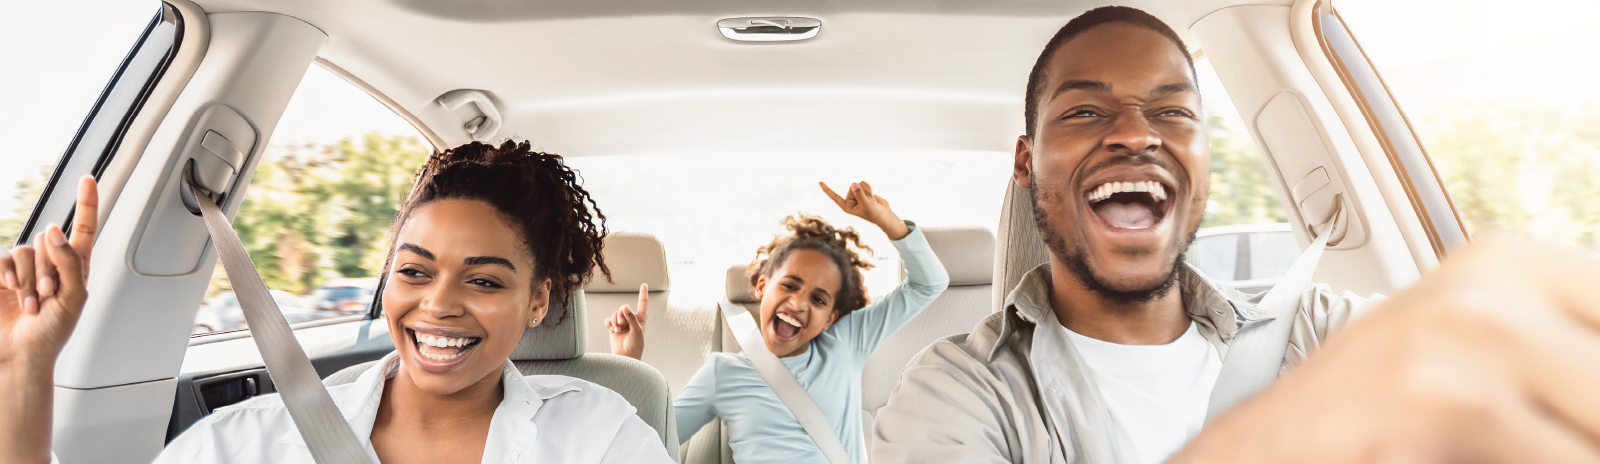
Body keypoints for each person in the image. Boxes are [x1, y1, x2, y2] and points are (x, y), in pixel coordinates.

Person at [871, 6, 1600, 464]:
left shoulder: (1315, 332)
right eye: (1086, 113)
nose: (1134, 133)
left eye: (1174, 112)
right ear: (1027, 164)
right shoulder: (957, 392)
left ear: (1203, 159)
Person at [0, 141, 676, 463]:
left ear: (538, 304)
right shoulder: (256, 441)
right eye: (414, 271)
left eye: (485, 280)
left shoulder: (597, 437)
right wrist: (27, 369)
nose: (437, 304)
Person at [604, 181, 949, 463]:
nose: (798, 303)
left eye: (818, 299)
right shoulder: (722, 373)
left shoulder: (845, 343)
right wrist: (627, 364)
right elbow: (649, 444)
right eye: (789, 285)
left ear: (831, 319)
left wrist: (886, 221)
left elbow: (929, 283)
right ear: (761, 286)